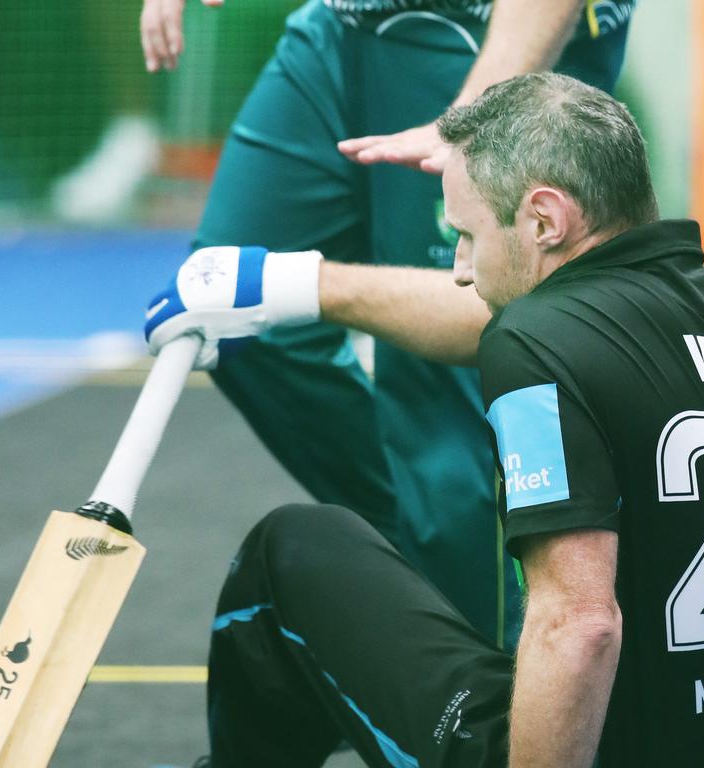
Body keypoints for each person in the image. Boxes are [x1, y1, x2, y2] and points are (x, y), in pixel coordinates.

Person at [145, 73, 704, 767]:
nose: (461, 268)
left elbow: (582, 626)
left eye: (465, 235)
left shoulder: (535, 340)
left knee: (292, 551)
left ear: (544, 219)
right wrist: (289, 283)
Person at [141, 0, 638, 648]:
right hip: (341, 23)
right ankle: (431, 597)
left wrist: (473, 121)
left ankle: (491, 705)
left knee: (447, 388)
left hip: (485, 33)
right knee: (242, 320)